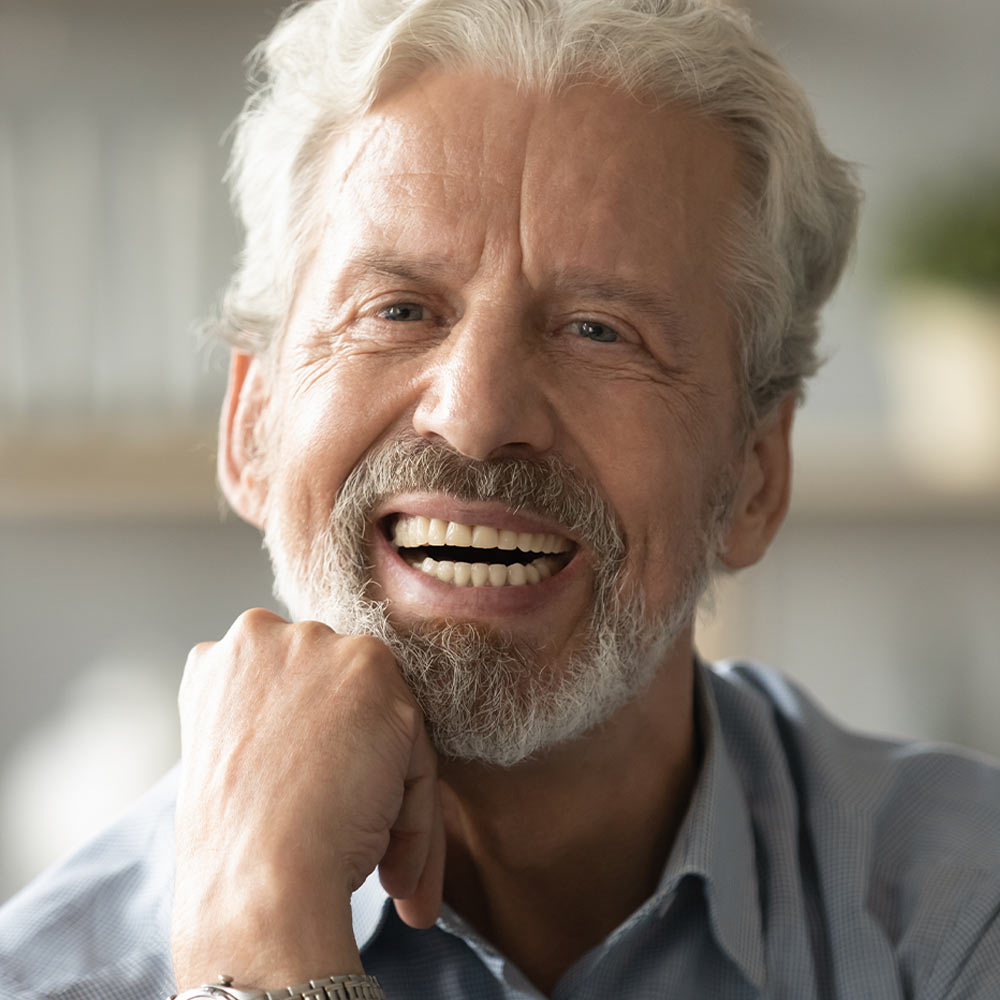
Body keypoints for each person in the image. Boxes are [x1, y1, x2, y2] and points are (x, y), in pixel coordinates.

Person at [1, 1, 998, 997]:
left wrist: (264, 965)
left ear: (755, 474)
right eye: (396, 309)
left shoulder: (964, 915)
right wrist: (260, 919)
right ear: (251, 426)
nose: (476, 416)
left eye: (601, 330)